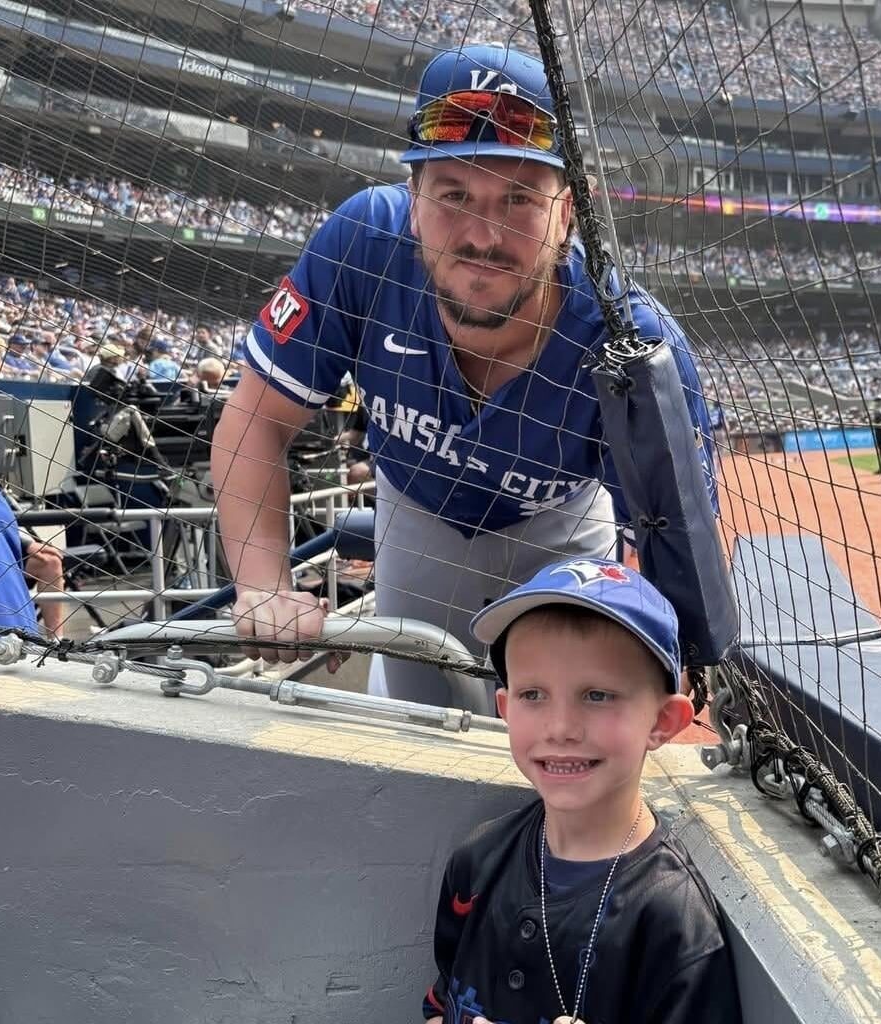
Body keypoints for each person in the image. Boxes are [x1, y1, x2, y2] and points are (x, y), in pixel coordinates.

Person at [212, 44, 716, 708]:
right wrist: (265, 586)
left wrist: (657, 663)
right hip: (412, 510)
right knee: (412, 731)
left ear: (567, 213)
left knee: (563, 739)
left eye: (518, 198)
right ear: (413, 199)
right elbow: (254, 419)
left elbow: (671, 554)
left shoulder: (629, 339)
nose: (483, 234)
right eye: (455, 194)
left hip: (556, 529)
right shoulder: (363, 244)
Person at [423, 556, 741, 1024]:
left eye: (597, 695)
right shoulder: (477, 859)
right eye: (533, 695)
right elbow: (438, 1004)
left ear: (663, 722)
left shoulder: (673, 921)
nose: (561, 727)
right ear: (505, 709)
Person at [0, 480, 38, 635]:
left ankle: (58, 637)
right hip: (23, 637)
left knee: (50, 562)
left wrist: (29, 544)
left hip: (2, 637)